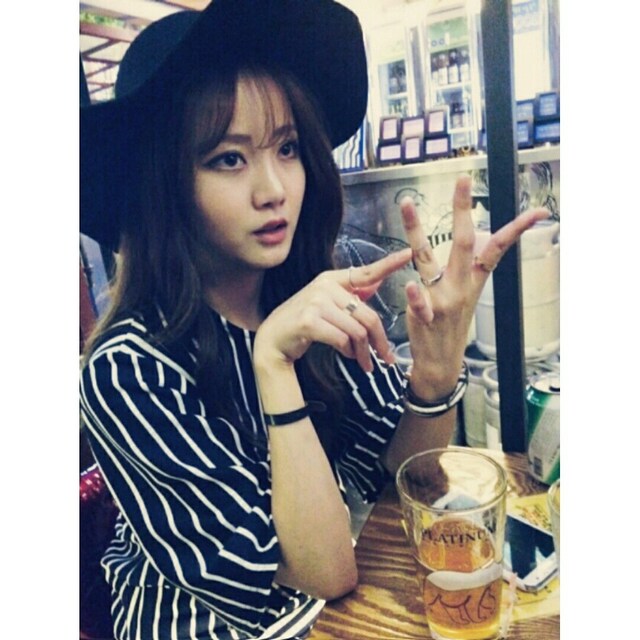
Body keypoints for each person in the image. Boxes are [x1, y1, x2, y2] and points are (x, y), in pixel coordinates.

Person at [79, 1, 549, 639]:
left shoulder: (305, 298)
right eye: (228, 158)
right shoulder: (128, 370)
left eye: (288, 148)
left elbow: (408, 469)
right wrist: (272, 364)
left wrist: (437, 372)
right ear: (163, 185)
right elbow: (321, 569)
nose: (273, 189)